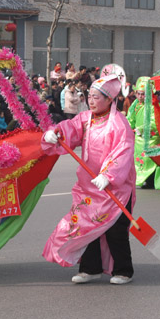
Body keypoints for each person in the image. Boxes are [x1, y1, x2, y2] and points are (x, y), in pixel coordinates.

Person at [41, 75, 136, 285]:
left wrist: (108, 175)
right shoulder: (85, 119)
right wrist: (54, 133)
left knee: (115, 230)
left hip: (113, 187)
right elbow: (70, 129)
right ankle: (90, 268)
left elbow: (124, 151)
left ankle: (123, 270)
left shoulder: (119, 123)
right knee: (85, 226)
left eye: (96, 97)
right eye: (89, 96)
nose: (91, 101)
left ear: (110, 99)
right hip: (88, 186)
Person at [126, 77, 159, 189]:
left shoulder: (153, 105)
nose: (140, 96)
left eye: (143, 94)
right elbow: (130, 119)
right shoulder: (135, 104)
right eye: (139, 94)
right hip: (138, 137)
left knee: (149, 159)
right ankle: (142, 179)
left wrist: (143, 129)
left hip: (151, 137)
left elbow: (155, 122)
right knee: (138, 159)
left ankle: (151, 181)